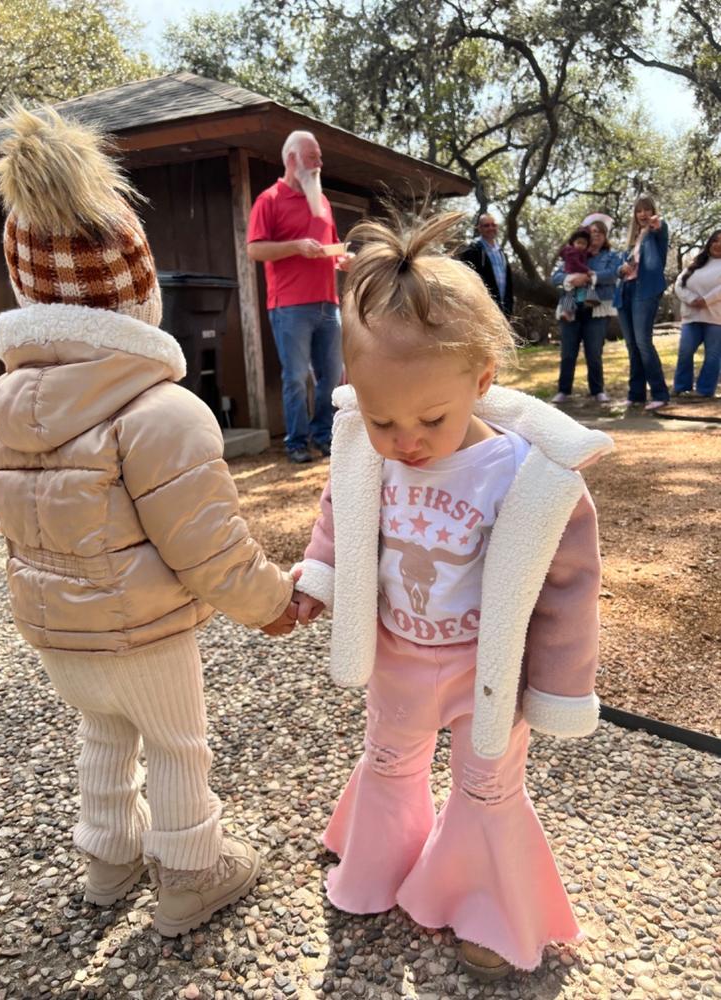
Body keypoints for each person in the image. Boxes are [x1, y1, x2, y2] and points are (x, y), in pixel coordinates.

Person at [0, 105, 299, 937]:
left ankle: (108, 861)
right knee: (176, 743)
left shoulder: (12, 403)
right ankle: (192, 872)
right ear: (138, 291)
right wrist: (273, 602)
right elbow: (209, 548)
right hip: (144, 633)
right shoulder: (162, 411)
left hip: (59, 634)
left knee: (103, 735)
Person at [291, 211, 613, 981]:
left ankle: (487, 906)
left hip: (486, 670)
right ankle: (377, 864)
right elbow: (341, 515)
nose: (405, 439)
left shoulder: (528, 476)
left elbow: (570, 585)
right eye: (380, 418)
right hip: (399, 653)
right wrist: (317, 577)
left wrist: (561, 685)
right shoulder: (368, 454)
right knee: (389, 758)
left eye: (431, 418)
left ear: (482, 379)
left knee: (489, 785)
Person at [247, 130, 344, 463]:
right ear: (292, 159)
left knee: (332, 377)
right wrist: (296, 247)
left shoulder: (322, 201)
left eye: (319, 157)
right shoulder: (269, 200)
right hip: (289, 307)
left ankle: (324, 436)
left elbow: (332, 247)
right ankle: (297, 443)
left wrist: (343, 258)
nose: (319, 163)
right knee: (297, 378)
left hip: (329, 303)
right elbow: (255, 249)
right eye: (312, 157)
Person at [551, 214, 622, 404]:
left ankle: (597, 390)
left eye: (600, 232)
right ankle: (564, 390)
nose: (596, 235)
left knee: (594, 352)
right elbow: (556, 277)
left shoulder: (611, 257)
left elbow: (613, 275)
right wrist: (571, 279)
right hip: (571, 308)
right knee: (568, 352)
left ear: (605, 236)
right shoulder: (574, 252)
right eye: (592, 232)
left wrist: (591, 277)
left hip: (597, 310)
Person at [613, 194, 671, 410]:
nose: (643, 214)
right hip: (625, 291)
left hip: (645, 290)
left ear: (653, 212)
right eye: (639, 210)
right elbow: (619, 269)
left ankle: (660, 394)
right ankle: (636, 394)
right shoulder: (631, 240)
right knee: (632, 345)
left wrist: (655, 226)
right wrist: (621, 269)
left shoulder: (655, 233)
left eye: (647, 209)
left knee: (643, 343)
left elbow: (660, 228)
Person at [672, 228, 721, 399]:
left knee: (713, 356)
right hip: (691, 316)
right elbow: (679, 284)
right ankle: (681, 387)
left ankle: (705, 391)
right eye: (715, 240)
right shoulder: (696, 263)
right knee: (685, 352)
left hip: (716, 318)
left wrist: (706, 300)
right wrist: (692, 299)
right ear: (709, 243)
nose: (718, 244)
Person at [458, 213, 514, 317]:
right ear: (479, 228)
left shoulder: (502, 253)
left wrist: (509, 309)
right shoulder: (472, 250)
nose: (491, 228)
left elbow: (509, 286)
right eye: (486, 225)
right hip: (481, 310)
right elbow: (466, 280)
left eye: (493, 225)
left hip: (502, 312)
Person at [557, 227, 596, 322]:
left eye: (584, 244)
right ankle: (566, 311)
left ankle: (587, 301)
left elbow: (585, 255)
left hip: (577, 273)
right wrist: (587, 270)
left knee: (583, 287)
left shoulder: (581, 252)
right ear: (573, 243)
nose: (581, 245)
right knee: (570, 293)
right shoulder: (571, 252)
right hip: (571, 274)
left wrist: (591, 254)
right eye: (578, 243)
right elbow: (576, 263)